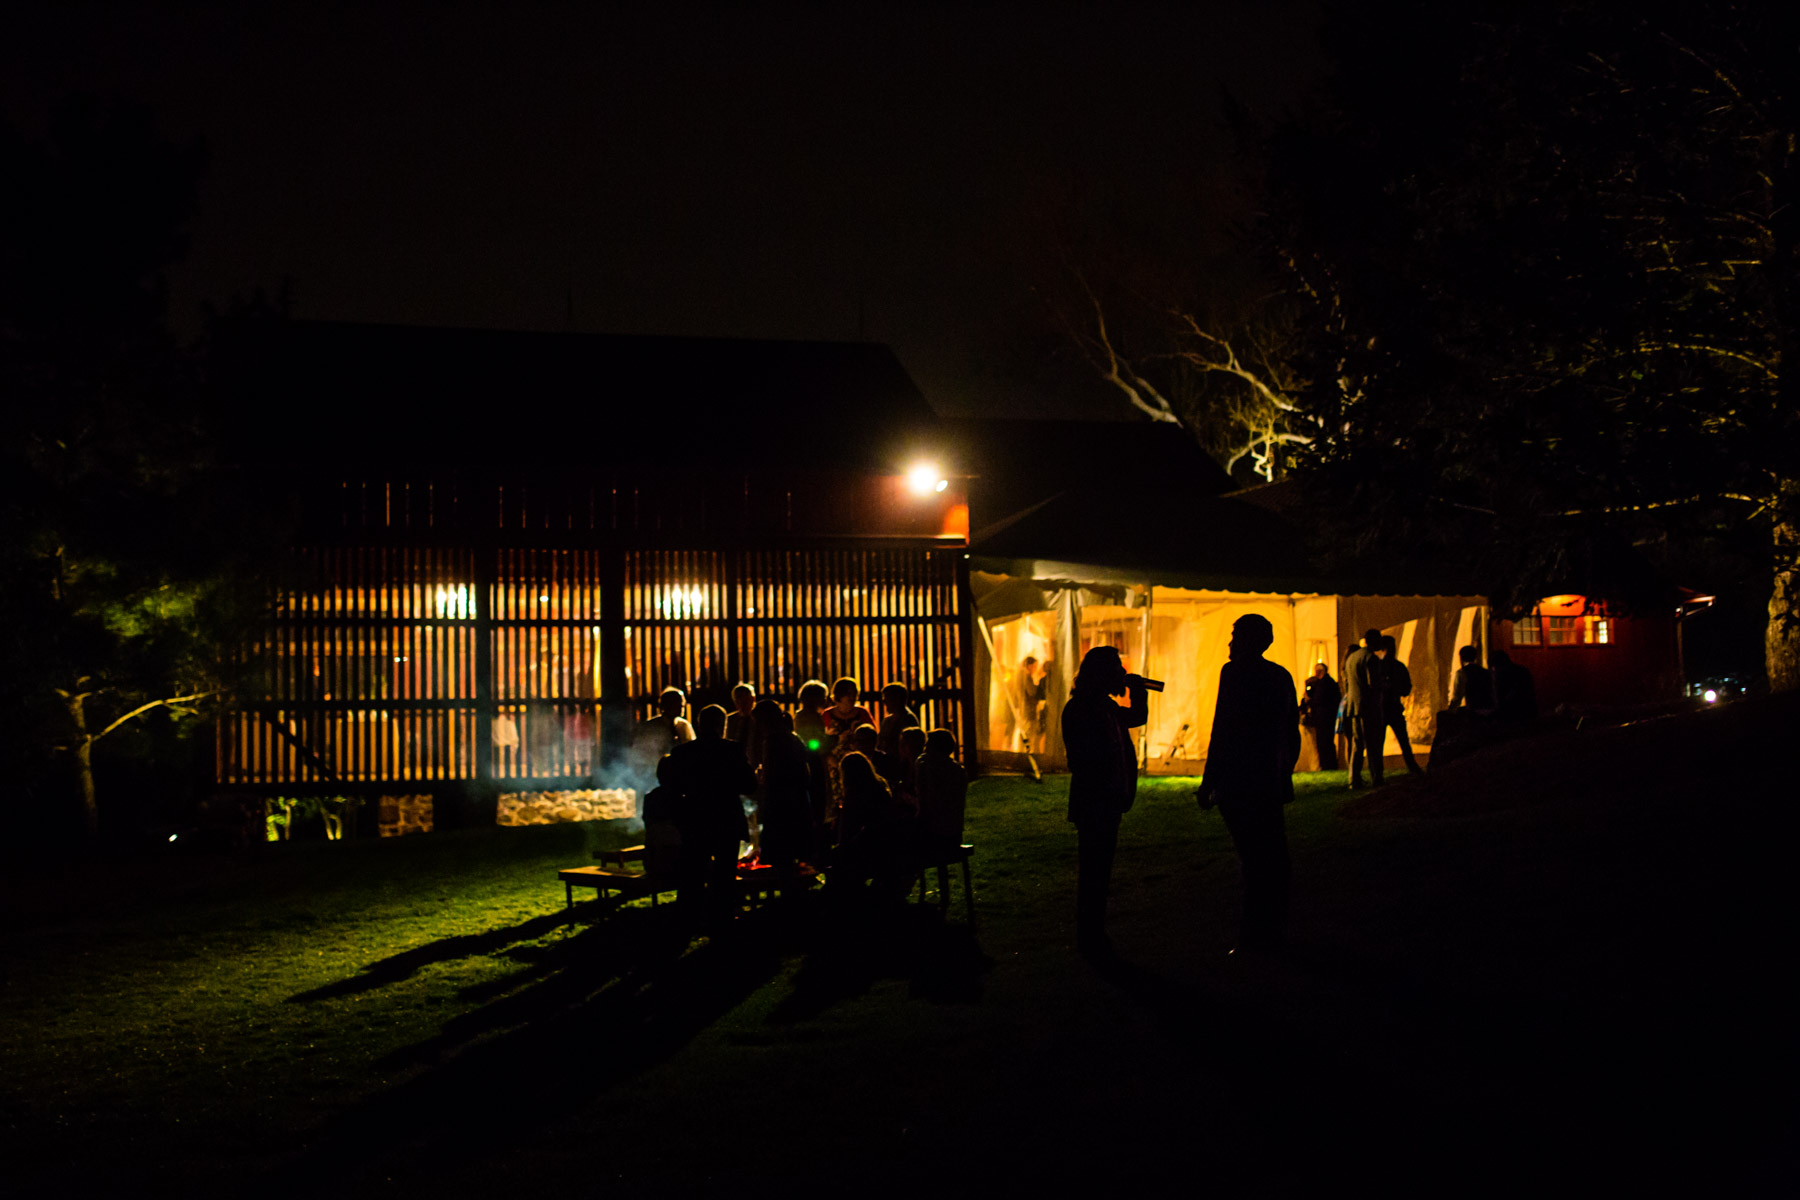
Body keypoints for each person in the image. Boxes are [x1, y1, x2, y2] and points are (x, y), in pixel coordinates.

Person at [1196, 614, 1300, 953]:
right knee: (1273, 857)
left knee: (1254, 861)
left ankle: (1254, 936)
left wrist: (1209, 780)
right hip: (1267, 779)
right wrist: (1283, 772)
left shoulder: (1235, 673)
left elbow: (1222, 728)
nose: (1229, 642)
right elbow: (1291, 732)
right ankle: (1274, 930)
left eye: (1235, 635)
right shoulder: (1280, 676)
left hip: (1239, 780)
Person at [1061, 645, 1149, 960]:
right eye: (1117, 669)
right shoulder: (1083, 709)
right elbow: (1085, 760)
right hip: (1096, 801)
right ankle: (1090, 936)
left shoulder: (1102, 707)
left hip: (1106, 800)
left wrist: (1138, 693)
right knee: (1094, 872)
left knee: (1099, 871)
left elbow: (1137, 716)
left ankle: (1093, 934)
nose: (1122, 675)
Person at [663, 705, 756, 932]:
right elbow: (749, 785)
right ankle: (721, 921)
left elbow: (671, 790)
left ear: (699, 724)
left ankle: (687, 921)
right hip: (726, 819)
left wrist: (681, 819)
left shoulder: (683, 753)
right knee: (724, 876)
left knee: (693, 875)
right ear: (721, 725)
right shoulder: (732, 750)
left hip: (695, 821)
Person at [751, 699, 815, 880]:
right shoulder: (792, 737)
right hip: (797, 801)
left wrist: (762, 778)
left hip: (781, 804)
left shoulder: (773, 740)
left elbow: (772, 775)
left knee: (782, 855)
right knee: (792, 855)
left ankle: (786, 898)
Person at [631, 686, 695, 801]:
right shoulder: (651, 727)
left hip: (680, 777)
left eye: (682, 703)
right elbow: (640, 754)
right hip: (654, 777)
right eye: (678, 703)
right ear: (666, 705)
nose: (682, 706)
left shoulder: (684, 726)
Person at [1342, 630, 1387, 789]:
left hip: (1354, 707)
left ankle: (1353, 779)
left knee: (1357, 744)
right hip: (1369, 707)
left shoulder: (1352, 657)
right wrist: (1385, 684)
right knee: (1374, 744)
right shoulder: (1371, 658)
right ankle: (1377, 777)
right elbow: (1373, 684)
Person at [915, 728, 967, 853]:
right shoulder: (958, 770)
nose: (925, 750)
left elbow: (927, 801)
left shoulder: (929, 770)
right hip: (954, 834)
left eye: (928, 746)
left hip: (937, 835)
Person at [1378, 635, 1423, 775]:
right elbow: (1406, 688)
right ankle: (1412, 766)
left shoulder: (1379, 666)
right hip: (1394, 707)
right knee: (1403, 740)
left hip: (1383, 708)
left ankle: (1378, 771)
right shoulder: (1398, 666)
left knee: (1380, 741)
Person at [1298, 662, 1341, 771]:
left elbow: (1318, 700)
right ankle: (1328, 765)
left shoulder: (1324, 684)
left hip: (1324, 718)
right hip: (1326, 718)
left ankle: (1327, 765)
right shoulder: (1327, 683)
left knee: (1324, 743)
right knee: (1325, 743)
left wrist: (1309, 701)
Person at [1492, 648, 1538, 723]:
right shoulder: (1523, 670)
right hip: (1528, 711)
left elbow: (1499, 696)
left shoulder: (1500, 674)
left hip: (1510, 714)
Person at [876, 681, 919, 760]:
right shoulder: (887, 721)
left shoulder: (908, 720)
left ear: (897, 698)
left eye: (887, 697)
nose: (884, 701)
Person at [1449, 645, 1496, 713]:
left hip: (1473, 710)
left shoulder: (1462, 673)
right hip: (1489, 709)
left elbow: (1458, 695)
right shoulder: (1485, 672)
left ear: (1461, 658)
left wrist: (1451, 710)